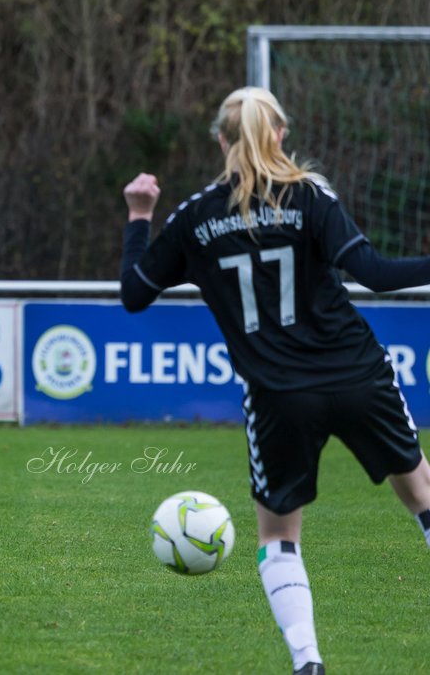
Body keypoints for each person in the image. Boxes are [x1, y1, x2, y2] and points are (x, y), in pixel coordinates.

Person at [120, 86, 430, 675]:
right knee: (422, 497)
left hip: (279, 395)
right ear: (281, 133)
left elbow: (135, 294)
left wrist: (138, 217)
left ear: (220, 138)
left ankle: (307, 661)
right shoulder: (310, 198)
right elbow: (377, 275)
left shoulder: (196, 217)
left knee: (279, 534)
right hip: (359, 374)